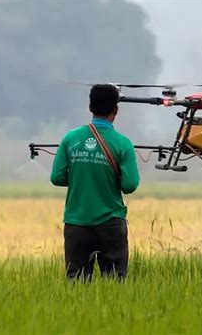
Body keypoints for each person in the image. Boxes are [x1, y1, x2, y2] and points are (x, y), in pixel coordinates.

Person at [50, 84, 139, 282]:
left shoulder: (70, 139)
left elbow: (56, 178)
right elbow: (130, 185)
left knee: (77, 284)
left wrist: (80, 177)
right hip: (110, 223)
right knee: (115, 283)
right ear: (115, 110)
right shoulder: (123, 144)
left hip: (77, 223)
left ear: (90, 108)